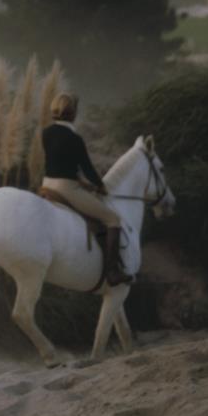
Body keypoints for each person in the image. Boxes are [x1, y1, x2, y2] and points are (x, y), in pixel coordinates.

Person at [39, 92, 130, 286]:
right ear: (72, 114)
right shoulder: (75, 138)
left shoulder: (45, 133)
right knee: (113, 219)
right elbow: (88, 168)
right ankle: (112, 272)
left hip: (47, 185)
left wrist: (82, 183)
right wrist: (100, 186)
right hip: (66, 189)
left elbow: (60, 165)